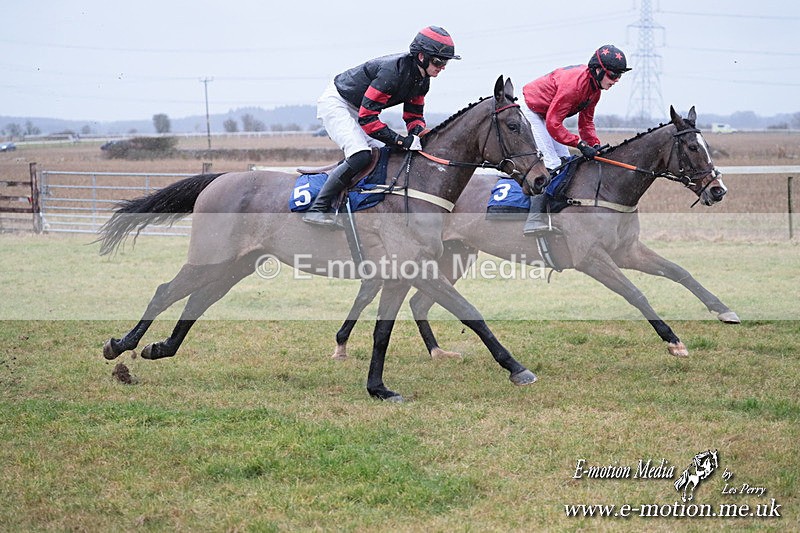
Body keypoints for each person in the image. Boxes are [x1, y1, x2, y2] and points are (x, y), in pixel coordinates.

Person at [303, 26, 460, 227]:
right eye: (439, 61)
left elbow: (413, 117)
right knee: (361, 155)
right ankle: (317, 209)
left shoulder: (423, 81)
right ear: (422, 56)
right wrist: (401, 140)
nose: (443, 67)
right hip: (338, 103)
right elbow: (367, 118)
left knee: (386, 156)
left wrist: (421, 135)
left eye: (446, 62)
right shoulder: (392, 73)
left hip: (360, 108)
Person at [520, 44, 631, 235]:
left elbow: (586, 124)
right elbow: (554, 124)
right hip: (531, 110)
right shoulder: (574, 86)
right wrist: (579, 144)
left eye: (620, 75)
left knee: (565, 162)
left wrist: (595, 145)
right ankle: (534, 220)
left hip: (546, 114)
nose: (617, 80)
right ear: (598, 70)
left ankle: (557, 211)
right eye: (613, 75)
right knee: (551, 163)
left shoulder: (594, 90)